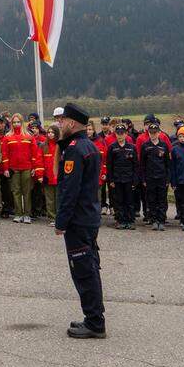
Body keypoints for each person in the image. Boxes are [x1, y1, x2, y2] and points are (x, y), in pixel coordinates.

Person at [53, 103, 105, 339]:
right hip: (88, 216)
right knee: (89, 267)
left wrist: (61, 222)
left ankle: (95, 322)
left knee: (84, 271)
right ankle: (93, 317)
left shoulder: (75, 150)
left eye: (63, 121)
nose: (59, 124)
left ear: (72, 123)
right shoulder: (88, 146)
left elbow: (69, 190)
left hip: (79, 219)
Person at [1, 114, 40, 224]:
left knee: (27, 192)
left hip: (27, 168)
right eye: (14, 122)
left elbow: (34, 153)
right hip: (14, 169)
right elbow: (5, 154)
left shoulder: (29, 136)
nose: (16, 124)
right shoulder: (7, 137)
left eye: (18, 122)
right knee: (16, 191)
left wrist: (34, 167)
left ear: (22, 122)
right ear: (11, 124)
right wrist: (6, 169)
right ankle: (18, 214)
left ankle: (27, 214)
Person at [138, 123, 172, 231]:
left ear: (159, 132)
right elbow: (142, 164)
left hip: (162, 177)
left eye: (155, 132)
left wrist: (168, 179)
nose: (153, 134)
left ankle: (161, 220)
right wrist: (143, 179)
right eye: (151, 132)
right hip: (149, 177)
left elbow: (168, 164)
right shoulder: (145, 146)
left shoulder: (164, 145)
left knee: (161, 200)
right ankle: (154, 220)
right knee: (151, 200)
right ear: (148, 133)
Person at [105, 124, 138, 229]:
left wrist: (135, 180)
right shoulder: (112, 147)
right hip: (117, 178)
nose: (120, 136)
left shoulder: (132, 147)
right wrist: (111, 180)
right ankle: (120, 220)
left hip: (129, 179)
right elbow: (109, 165)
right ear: (115, 134)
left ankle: (130, 220)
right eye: (118, 134)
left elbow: (136, 165)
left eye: (122, 133)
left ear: (126, 134)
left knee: (129, 200)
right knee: (118, 200)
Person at [38, 125, 60, 224]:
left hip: (59, 177)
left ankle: (59, 218)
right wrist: (40, 175)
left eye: (53, 132)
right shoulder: (43, 146)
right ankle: (52, 218)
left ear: (57, 134)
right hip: (47, 177)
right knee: (50, 199)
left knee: (59, 198)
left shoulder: (61, 145)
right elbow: (39, 162)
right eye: (49, 132)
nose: (50, 134)